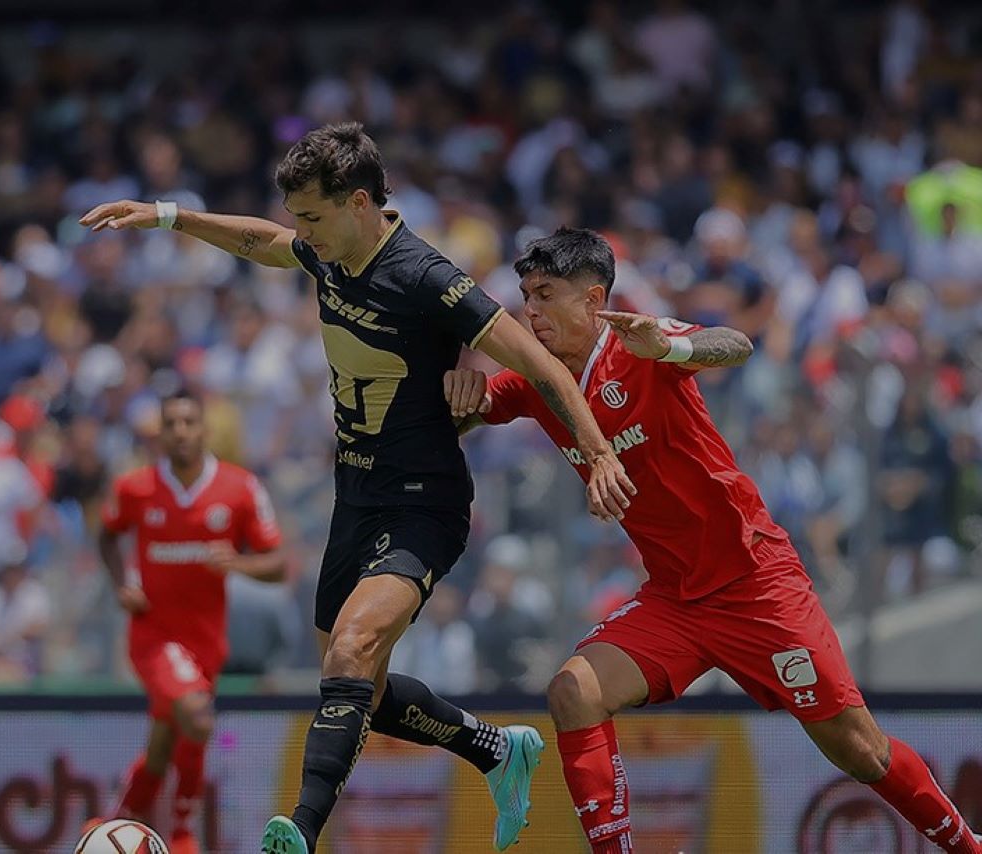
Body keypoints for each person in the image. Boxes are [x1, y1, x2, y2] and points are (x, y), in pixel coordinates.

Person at [82, 122, 636, 854]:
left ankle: (299, 832)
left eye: (312, 216)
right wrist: (168, 215)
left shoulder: (426, 276)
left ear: (360, 202)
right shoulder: (327, 248)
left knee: (351, 654)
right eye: (299, 217)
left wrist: (597, 453)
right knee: (358, 689)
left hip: (424, 499)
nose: (301, 232)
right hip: (357, 494)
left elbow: (541, 364)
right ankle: (496, 750)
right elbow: (262, 243)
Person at [445, 227, 982, 854]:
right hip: (676, 600)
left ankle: (971, 848)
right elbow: (468, 410)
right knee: (573, 691)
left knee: (859, 749)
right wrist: (458, 395)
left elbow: (732, 344)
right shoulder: (537, 379)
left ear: (593, 299)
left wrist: (672, 347)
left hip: (755, 582)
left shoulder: (640, 343)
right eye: (526, 296)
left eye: (545, 295)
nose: (531, 311)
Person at [93, 390, 287, 854]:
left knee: (167, 737)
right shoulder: (135, 488)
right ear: (159, 433)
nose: (180, 431)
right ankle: (182, 832)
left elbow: (278, 564)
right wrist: (123, 582)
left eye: (188, 422)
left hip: (206, 641)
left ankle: (118, 821)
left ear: (204, 429)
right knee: (197, 715)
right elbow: (106, 536)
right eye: (171, 423)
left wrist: (237, 564)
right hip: (153, 635)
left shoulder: (239, 488)